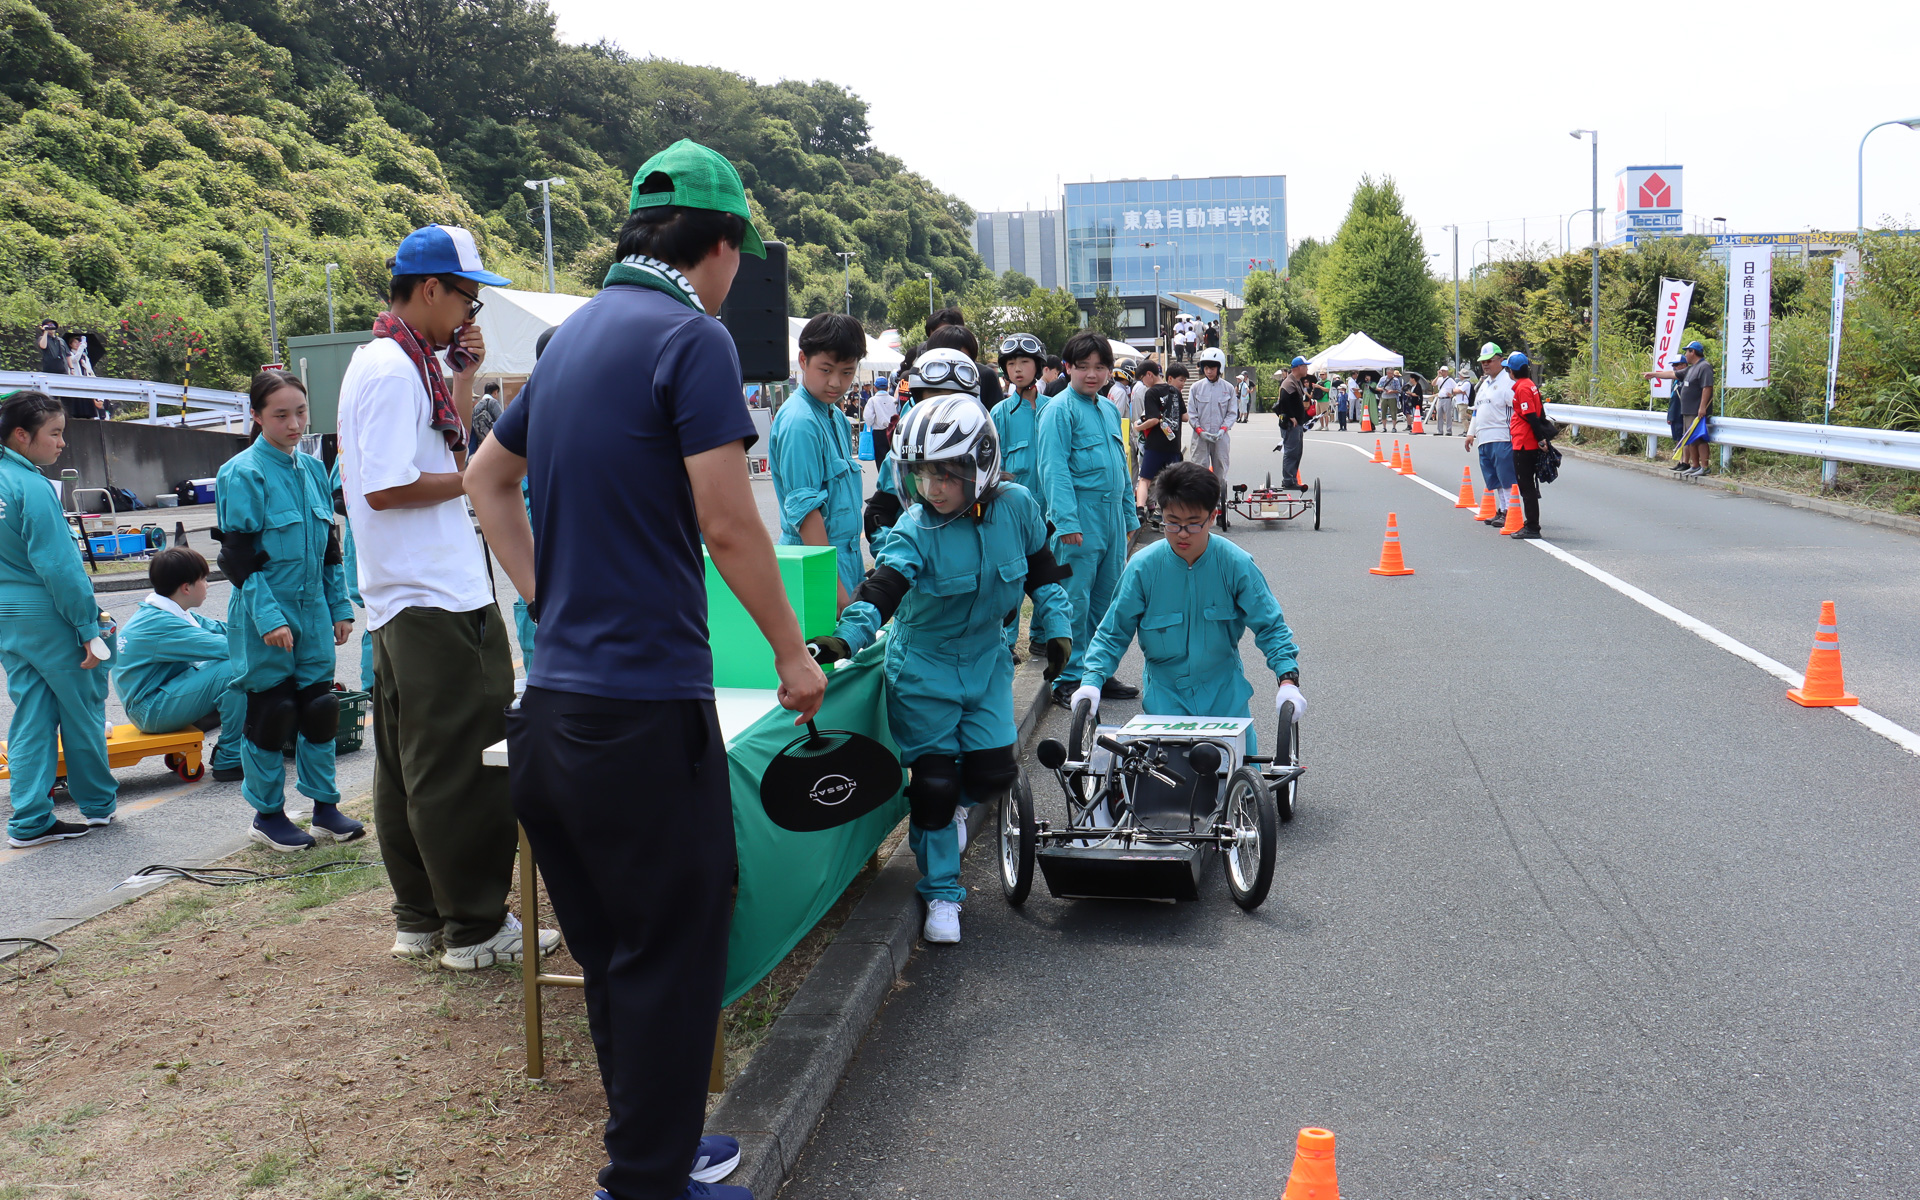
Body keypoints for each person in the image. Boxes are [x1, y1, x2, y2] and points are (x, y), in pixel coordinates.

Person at [466, 138, 825, 1200]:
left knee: (619, 957)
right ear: (720, 250)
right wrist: (792, 651)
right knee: (672, 957)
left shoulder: (571, 343)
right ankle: (645, 1184)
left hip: (554, 720)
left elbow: (487, 482)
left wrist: (547, 598)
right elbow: (727, 519)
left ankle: (650, 1156)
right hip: (642, 720)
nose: (733, 281)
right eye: (737, 261)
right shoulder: (690, 337)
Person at [807, 369, 1072, 945]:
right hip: (923, 667)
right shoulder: (913, 529)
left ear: (982, 466)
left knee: (992, 773)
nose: (935, 487)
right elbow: (884, 588)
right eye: (923, 473)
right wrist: (845, 638)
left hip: (987, 661)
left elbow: (1045, 571)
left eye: (949, 473)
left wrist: (1058, 632)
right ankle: (943, 896)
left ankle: (952, 809)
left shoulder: (1018, 506)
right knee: (932, 784)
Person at [337, 226, 540, 967]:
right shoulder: (395, 369)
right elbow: (388, 485)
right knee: (461, 765)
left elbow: (431, 443)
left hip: (408, 594)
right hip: (434, 596)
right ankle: (477, 927)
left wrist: (460, 377)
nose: (470, 310)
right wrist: (478, 480)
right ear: (429, 288)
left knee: (408, 767)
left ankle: (421, 915)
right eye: (465, 294)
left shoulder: (391, 359)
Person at [214, 371, 360, 852]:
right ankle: (268, 814)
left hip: (314, 610)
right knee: (272, 711)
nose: (294, 424)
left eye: (300, 412)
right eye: (280, 415)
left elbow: (329, 548)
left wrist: (338, 604)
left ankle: (324, 807)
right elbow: (237, 557)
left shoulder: (313, 470)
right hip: (265, 611)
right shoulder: (242, 473)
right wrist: (268, 617)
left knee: (320, 708)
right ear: (256, 417)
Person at [1073, 462, 1301, 758]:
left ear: (1213, 517)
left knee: (1236, 783)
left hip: (1225, 695)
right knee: (1164, 787)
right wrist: (1092, 681)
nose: (1182, 534)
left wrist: (1287, 680)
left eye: (1194, 523)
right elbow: (1112, 634)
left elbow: (1271, 627)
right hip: (1165, 698)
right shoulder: (1143, 568)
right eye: (1172, 522)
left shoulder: (1236, 564)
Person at [1, 390, 116, 848]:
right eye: (55, 433)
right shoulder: (32, 487)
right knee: (82, 708)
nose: (61, 443)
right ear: (21, 435)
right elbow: (60, 567)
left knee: (30, 715)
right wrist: (88, 629)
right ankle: (99, 807)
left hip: (8, 616)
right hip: (48, 611)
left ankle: (29, 820)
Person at [1034, 330, 1139, 709]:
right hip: (1079, 516)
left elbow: (1121, 465)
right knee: (1072, 601)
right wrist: (1066, 522)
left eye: (1099, 367)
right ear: (1067, 368)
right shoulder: (1057, 410)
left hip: (1111, 516)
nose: (1091, 374)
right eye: (1083, 367)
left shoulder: (1109, 408)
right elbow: (1053, 470)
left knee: (1107, 600)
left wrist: (1130, 513)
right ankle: (1066, 678)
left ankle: (1097, 672)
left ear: (1109, 371)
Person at [111, 547, 244, 782]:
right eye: (204, 579)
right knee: (235, 669)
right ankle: (230, 757)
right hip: (149, 710)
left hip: (158, 697)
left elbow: (225, 631)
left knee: (227, 665)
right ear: (186, 587)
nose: (208, 585)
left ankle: (230, 738)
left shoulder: (168, 611)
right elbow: (231, 648)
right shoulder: (160, 624)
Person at [772, 312, 866, 606]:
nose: (836, 383)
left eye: (847, 372)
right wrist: (838, 595)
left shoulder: (835, 415)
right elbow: (806, 511)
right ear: (803, 360)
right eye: (826, 370)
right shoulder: (800, 421)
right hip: (814, 568)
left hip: (844, 564)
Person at [1462, 342, 1515, 527]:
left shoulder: (1508, 383)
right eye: (1483, 361)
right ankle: (1502, 509)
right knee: (1494, 478)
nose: (1485, 364)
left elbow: (1516, 411)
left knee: (1506, 476)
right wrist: (1471, 433)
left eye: (1489, 361)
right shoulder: (1484, 384)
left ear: (1500, 360)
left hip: (1502, 436)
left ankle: (1510, 510)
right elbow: (1477, 410)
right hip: (1484, 438)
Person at [1646, 339, 1714, 477]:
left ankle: (1705, 466)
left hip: (1696, 411)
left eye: (1686, 352)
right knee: (1690, 439)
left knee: (1700, 439)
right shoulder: (1691, 368)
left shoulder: (1704, 366)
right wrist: (1654, 374)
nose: (1685, 355)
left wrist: (1702, 407)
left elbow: (1707, 387)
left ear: (1693, 352)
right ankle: (1695, 466)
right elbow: (1672, 374)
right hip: (1687, 411)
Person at [1185, 348, 1235, 515]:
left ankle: (1220, 506)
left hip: (1220, 437)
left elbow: (1231, 413)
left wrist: (1223, 429)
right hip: (1200, 437)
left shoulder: (1228, 389)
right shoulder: (1195, 388)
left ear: (1220, 368)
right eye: (1206, 367)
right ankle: (1201, 506)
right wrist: (1199, 430)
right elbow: (1191, 413)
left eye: (1212, 367)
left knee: (1220, 470)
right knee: (1199, 471)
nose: (1209, 371)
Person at [1506, 351, 1548, 539]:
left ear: (1511, 371)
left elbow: (1531, 416)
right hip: (1528, 441)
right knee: (1528, 485)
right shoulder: (1530, 385)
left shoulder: (1522, 388)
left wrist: (1540, 439)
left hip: (1524, 442)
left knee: (1526, 486)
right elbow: (1540, 414)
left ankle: (1532, 526)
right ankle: (1531, 524)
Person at [926, 307, 1003, 409]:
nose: (941, 340)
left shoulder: (985, 375)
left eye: (947, 333)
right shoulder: (925, 375)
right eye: (935, 336)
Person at [1134, 362, 1184, 516]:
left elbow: (1154, 420)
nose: (1143, 383)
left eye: (1143, 379)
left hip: (1155, 444)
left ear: (1149, 374)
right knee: (1173, 483)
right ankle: (1169, 514)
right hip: (1174, 445)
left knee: (1145, 480)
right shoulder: (1175, 391)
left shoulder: (1151, 393)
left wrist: (1137, 426)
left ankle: (1140, 510)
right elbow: (1185, 416)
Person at [1274, 356, 1310, 490]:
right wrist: (1291, 416)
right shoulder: (1289, 382)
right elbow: (1284, 400)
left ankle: (1292, 478)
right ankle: (1288, 480)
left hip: (1297, 423)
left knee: (1297, 451)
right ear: (1298, 367)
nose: (1307, 369)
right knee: (1291, 451)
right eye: (1305, 366)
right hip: (1291, 424)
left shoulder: (1296, 381)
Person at [863, 375, 898, 465]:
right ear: (887, 387)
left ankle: (883, 477)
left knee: (881, 459)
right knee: (893, 457)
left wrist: (871, 424)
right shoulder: (893, 400)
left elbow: (868, 418)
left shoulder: (872, 400)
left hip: (879, 432)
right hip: (893, 431)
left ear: (875, 388)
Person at [470, 381, 503, 448]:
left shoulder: (477, 405)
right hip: (493, 440)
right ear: (495, 392)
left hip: (481, 442)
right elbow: (501, 421)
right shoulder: (493, 403)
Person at [1431, 366, 1461, 437]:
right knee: (1439, 415)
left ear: (1447, 372)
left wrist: (1452, 394)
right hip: (1440, 398)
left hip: (1447, 399)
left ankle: (1449, 430)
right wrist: (1437, 376)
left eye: (1444, 371)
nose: (1442, 372)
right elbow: (1433, 384)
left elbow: (1456, 388)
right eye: (1442, 371)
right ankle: (1439, 430)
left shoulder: (1450, 380)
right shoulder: (1439, 379)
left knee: (1448, 415)